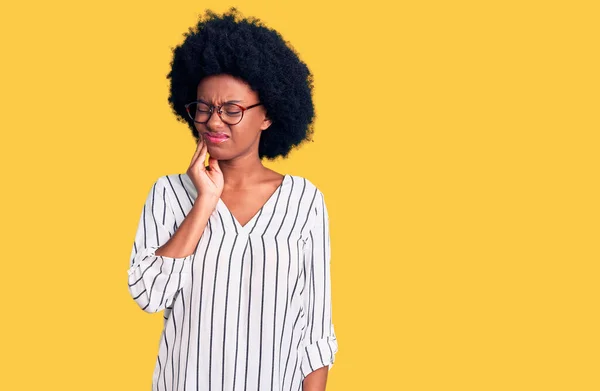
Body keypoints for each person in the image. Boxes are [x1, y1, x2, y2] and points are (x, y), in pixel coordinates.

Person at [126, 8, 338, 391]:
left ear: (268, 116)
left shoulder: (305, 201)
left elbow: (316, 333)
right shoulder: (169, 194)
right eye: (203, 108)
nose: (213, 121)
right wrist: (204, 203)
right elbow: (148, 294)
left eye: (232, 110)